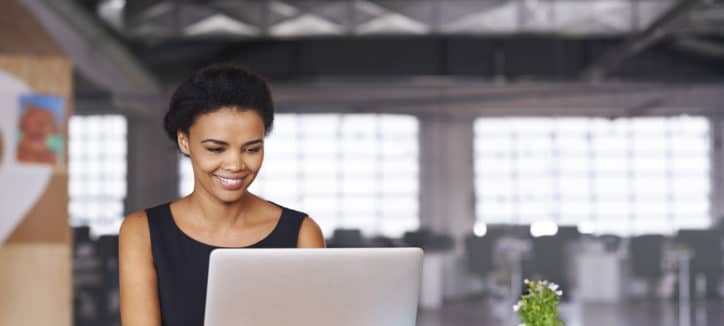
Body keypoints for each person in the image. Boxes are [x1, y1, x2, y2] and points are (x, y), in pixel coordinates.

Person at [119, 64, 326, 326]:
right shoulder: (143, 232)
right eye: (216, 149)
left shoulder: (301, 233)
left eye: (251, 149)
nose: (235, 165)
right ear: (184, 141)